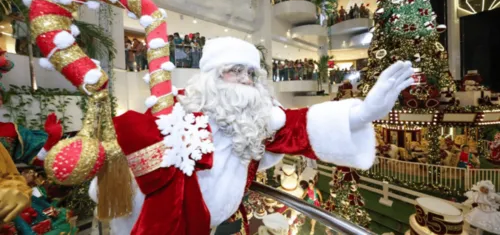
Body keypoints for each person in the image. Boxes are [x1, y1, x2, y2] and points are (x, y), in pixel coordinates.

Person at [97, 37, 414, 234]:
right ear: (211, 77)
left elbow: (299, 128)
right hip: (146, 225)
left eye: (250, 73)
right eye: (234, 71)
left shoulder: (260, 118)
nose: (244, 81)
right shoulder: (175, 110)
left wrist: (363, 112)